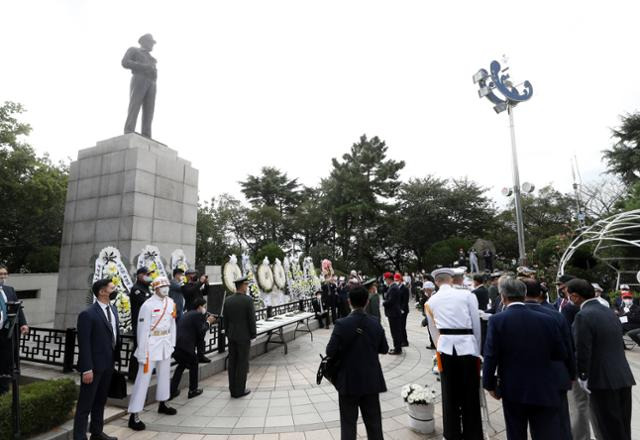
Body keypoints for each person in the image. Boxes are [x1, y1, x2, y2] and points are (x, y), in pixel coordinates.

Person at [483, 276, 568, 440]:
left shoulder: (497, 320)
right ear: (524, 295)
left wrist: (489, 384)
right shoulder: (548, 320)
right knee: (544, 431)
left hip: (512, 386)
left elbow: (491, 355)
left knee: (515, 432)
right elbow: (560, 353)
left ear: (503, 297)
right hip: (543, 383)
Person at [568, 278, 636, 440]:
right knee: (622, 430)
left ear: (576, 296)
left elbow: (582, 349)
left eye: (569, 294)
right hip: (623, 377)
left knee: (606, 430)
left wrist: (582, 376)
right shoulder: (609, 312)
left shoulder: (583, 316)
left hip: (601, 381)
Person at [425, 268, 483, 440]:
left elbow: (433, 331)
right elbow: (476, 325)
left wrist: (439, 347)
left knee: (449, 395)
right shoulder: (467, 295)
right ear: (451, 280)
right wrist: (477, 349)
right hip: (468, 347)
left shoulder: (431, 301)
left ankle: (452, 434)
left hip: (445, 349)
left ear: (436, 282)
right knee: (470, 394)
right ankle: (473, 434)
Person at [326, 286, 389, 440]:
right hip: (371, 380)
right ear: (367, 302)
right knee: (374, 423)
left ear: (349, 302)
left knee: (348, 424)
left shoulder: (341, 324)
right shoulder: (375, 322)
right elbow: (384, 348)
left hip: (348, 381)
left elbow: (330, 352)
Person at [522, 278, 575, 440]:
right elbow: (568, 347)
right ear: (540, 293)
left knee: (539, 425)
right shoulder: (556, 315)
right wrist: (572, 374)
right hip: (557, 375)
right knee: (561, 421)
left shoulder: (515, 316)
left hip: (530, 378)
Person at [128, 277, 177, 431]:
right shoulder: (147, 305)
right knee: (143, 380)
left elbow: (172, 324)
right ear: (155, 288)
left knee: (164, 375)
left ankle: (163, 402)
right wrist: (142, 352)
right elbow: (142, 330)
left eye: (167, 286)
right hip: (150, 346)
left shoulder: (171, 303)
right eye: (162, 286)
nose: (166, 289)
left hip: (165, 344)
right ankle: (134, 413)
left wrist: (173, 343)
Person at [73, 279, 120, 440]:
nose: (115, 290)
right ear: (102, 291)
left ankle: (97, 432)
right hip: (93, 367)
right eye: (112, 288)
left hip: (108, 365)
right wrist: (87, 368)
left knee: (100, 401)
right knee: (85, 405)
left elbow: (114, 337)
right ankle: (79, 437)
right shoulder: (88, 314)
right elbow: (84, 344)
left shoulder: (113, 310)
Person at [170, 298, 216, 400]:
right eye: (204, 306)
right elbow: (201, 331)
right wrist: (208, 322)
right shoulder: (197, 315)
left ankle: (171, 391)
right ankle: (193, 390)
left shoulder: (188, 314)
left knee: (181, 366)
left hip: (177, 346)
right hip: (186, 346)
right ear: (199, 307)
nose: (205, 309)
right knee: (194, 362)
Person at [223, 276, 257, 398]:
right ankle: (240, 390)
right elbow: (251, 319)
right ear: (242, 286)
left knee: (232, 362)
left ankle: (232, 389)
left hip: (231, 336)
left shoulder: (228, 300)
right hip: (244, 336)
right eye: (246, 285)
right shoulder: (247, 300)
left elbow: (225, 320)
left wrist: (227, 332)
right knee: (242, 363)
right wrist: (253, 334)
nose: (247, 287)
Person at [0, 264, 28, 396]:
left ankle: (5, 387)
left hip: (9, 331)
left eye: (5, 274)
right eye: (1, 274)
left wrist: (23, 323)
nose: (3, 276)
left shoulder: (9, 290)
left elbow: (18, 308)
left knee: (8, 358)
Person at [122, 33, 157, 138]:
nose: (152, 45)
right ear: (143, 41)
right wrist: (144, 67)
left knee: (149, 110)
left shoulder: (152, 58)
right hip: (139, 78)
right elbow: (125, 62)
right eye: (150, 42)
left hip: (152, 82)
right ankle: (129, 129)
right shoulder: (134, 50)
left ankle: (146, 134)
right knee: (135, 104)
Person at [128, 267, 152, 379]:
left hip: (148, 323)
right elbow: (146, 303)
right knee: (138, 347)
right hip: (139, 324)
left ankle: (143, 369)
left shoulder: (147, 288)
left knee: (145, 347)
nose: (149, 276)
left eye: (150, 274)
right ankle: (132, 374)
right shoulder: (136, 289)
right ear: (139, 276)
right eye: (147, 274)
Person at [182, 269, 211, 363]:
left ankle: (201, 355)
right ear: (187, 276)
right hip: (191, 314)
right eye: (192, 274)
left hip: (200, 313)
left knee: (201, 335)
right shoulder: (185, 286)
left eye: (195, 273)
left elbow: (206, 292)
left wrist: (206, 284)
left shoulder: (196, 286)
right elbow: (190, 292)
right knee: (191, 335)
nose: (194, 275)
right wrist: (200, 282)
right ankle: (190, 355)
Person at [382, 272, 403, 355]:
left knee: (395, 332)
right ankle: (397, 347)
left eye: (386, 279)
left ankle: (397, 349)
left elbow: (391, 301)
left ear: (388, 279)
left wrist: (384, 303)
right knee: (395, 331)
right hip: (394, 313)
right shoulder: (393, 287)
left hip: (393, 313)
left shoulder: (393, 288)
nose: (385, 281)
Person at [396, 273, 410, 347]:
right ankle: (401, 340)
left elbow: (405, 300)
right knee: (400, 326)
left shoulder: (404, 288)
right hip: (398, 310)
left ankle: (405, 341)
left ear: (401, 280)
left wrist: (402, 309)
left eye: (397, 280)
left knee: (402, 326)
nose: (396, 281)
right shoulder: (397, 287)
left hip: (403, 310)